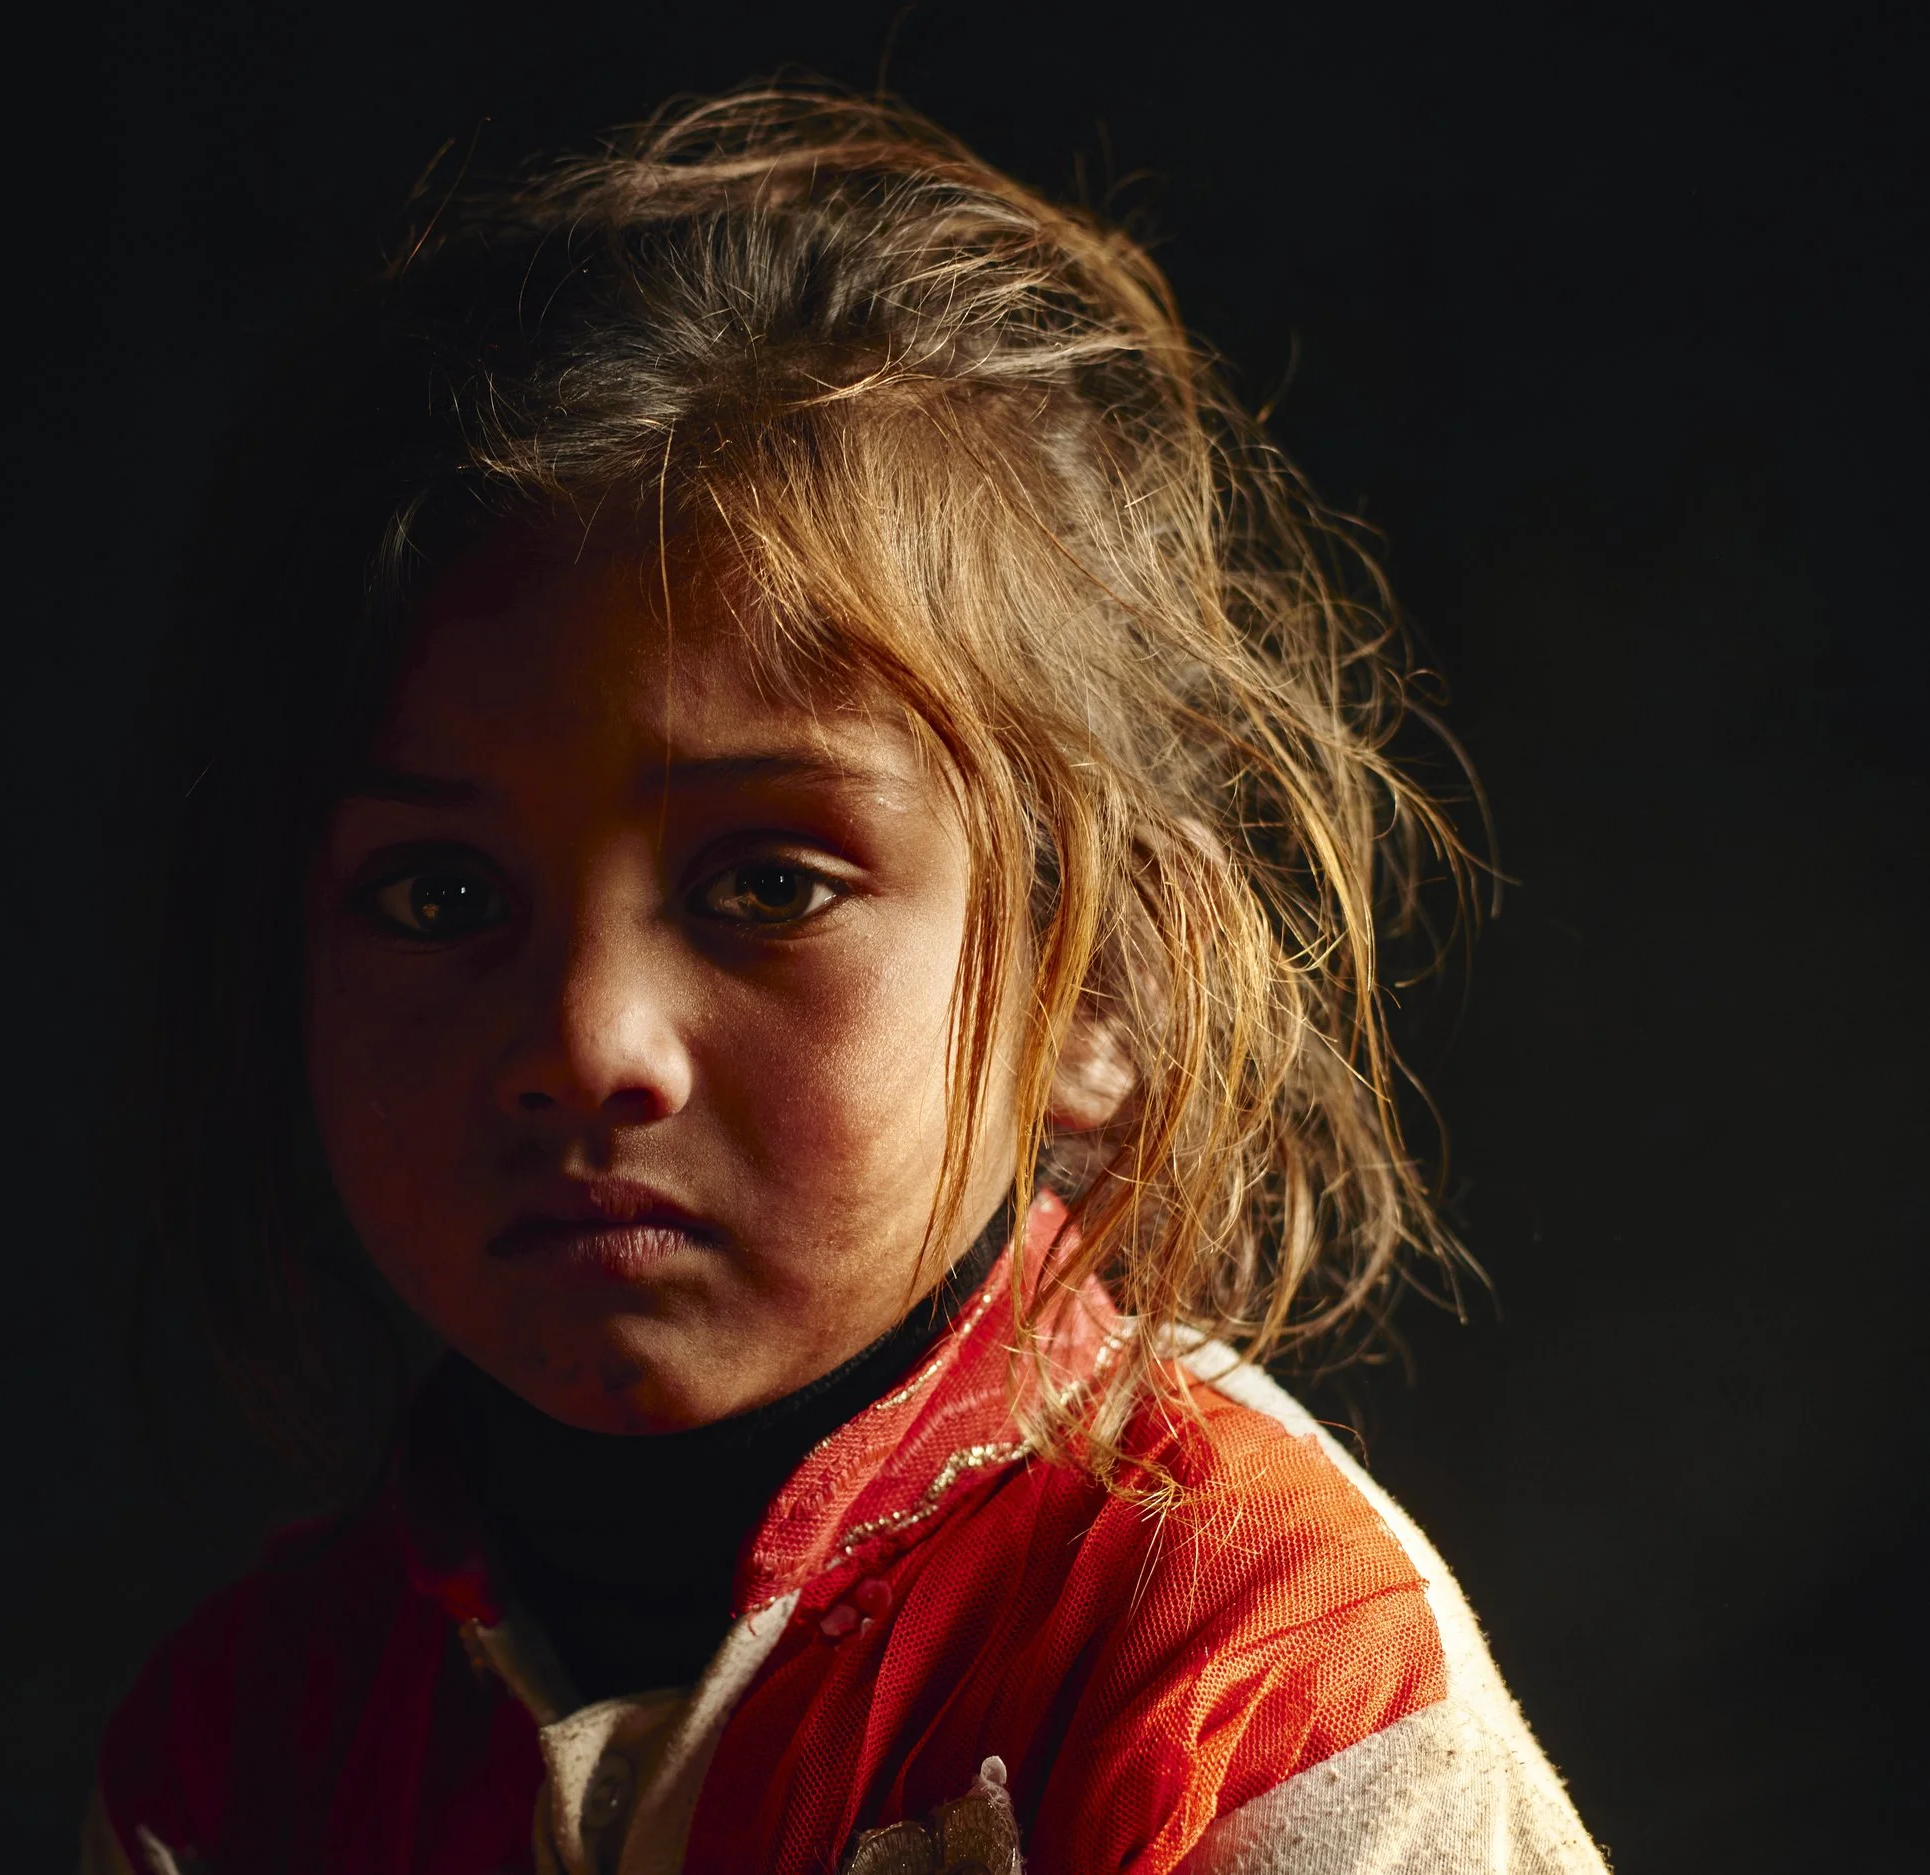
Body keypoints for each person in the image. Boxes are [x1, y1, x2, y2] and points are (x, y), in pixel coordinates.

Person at [87, 88, 1607, 1875]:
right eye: (437, 894)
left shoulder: (1254, 1667)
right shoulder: (241, 1745)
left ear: (1100, 982)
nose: (586, 1043)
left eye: (765, 883)